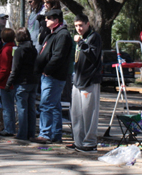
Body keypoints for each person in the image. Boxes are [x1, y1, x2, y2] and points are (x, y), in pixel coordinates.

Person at [34, 8, 73, 144]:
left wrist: (48, 70)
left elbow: (58, 56)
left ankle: (45, 134)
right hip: (50, 76)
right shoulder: (54, 33)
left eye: (49, 18)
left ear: (56, 20)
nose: (46, 20)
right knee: (55, 106)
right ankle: (56, 134)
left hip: (53, 76)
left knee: (46, 105)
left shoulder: (62, 35)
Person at [68, 14, 103, 152]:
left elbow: (94, 56)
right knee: (76, 113)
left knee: (89, 113)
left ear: (88, 24)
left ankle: (90, 143)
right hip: (78, 80)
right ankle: (79, 141)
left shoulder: (94, 37)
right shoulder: (80, 39)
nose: (79, 28)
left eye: (81, 25)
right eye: (76, 26)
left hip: (90, 80)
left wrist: (81, 44)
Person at [7, 27, 38, 140]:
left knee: (22, 109)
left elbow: (15, 69)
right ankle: (31, 133)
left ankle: (22, 134)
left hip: (22, 82)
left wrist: (8, 83)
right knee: (31, 109)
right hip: (33, 81)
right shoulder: (33, 50)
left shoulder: (19, 50)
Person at [0, 28, 16, 137]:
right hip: (12, 81)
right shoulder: (13, 47)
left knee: (7, 106)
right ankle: (11, 127)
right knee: (10, 106)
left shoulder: (6, 49)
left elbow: (4, 68)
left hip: (5, 81)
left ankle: (9, 128)